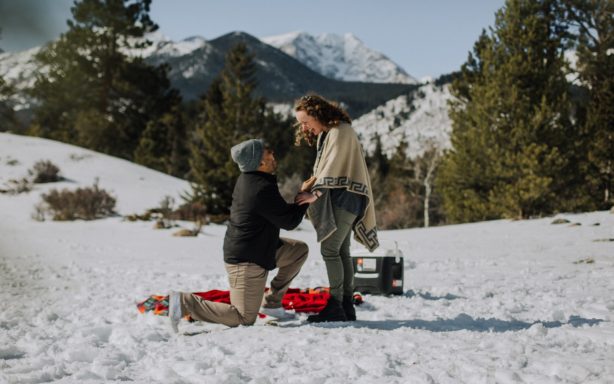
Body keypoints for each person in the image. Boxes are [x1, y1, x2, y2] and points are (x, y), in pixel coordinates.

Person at [168, 138, 314, 332]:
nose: (273, 154)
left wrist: (301, 199)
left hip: (261, 248)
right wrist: (305, 196)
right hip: (246, 261)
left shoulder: (254, 180)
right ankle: (185, 302)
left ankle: (271, 303)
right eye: (267, 151)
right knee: (243, 317)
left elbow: (280, 213)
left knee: (298, 251)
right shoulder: (259, 188)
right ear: (260, 163)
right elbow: (289, 221)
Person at [294, 94, 379, 323]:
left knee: (330, 250)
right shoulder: (332, 133)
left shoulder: (339, 132)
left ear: (316, 114)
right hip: (345, 198)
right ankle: (345, 306)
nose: (303, 127)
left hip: (345, 198)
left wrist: (315, 193)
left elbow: (333, 169)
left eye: (305, 121)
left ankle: (336, 305)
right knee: (341, 252)